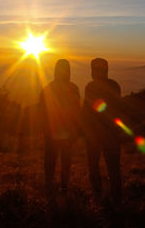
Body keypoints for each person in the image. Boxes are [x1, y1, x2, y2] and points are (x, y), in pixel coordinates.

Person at [82, 58, 123, 205]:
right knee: (113, 168)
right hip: (111, 133)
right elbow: (119, 110)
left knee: (93, 165)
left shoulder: (90, 87)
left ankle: (98, 196)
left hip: (95, 134)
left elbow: (87, 111)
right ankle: (116, 198)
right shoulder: (114, 86)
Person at [39, 59, 81, 196]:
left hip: (55, 132)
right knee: (63, 161)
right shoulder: (73, 88)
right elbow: (77, 111)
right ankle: (62, 187)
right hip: (62, 132)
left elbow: (42, 112)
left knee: (52, 161)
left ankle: (52, 186)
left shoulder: (48, 88)